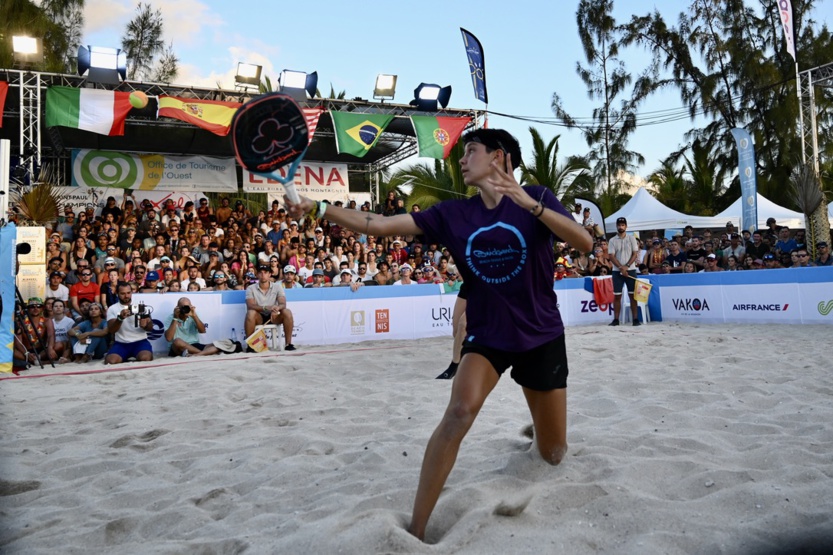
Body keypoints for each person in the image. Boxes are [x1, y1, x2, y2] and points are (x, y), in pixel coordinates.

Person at [285, 128, 592, 541]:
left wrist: (530, 206)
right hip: (487, 335)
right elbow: (377, 224)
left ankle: (537, 429)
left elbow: (585, 243)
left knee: (553, 454)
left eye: (471, 151)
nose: (462, 160)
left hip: (540, 334)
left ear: (499, 157)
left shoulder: (537, 196)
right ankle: (418, 528)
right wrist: (319, 208)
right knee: (459, 412)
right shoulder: (453, 214)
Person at [244, 265, 296, 351]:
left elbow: (283, 304)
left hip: (274, 316)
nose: (263, 275)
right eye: (261, 272)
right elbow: (250, 306)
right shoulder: (251, 288)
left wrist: (277, 307)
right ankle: (250, 345)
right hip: (258, 316)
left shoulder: (277, 286)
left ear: (269, 274)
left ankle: (288, 344)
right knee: (250, 313)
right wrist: (265, 308)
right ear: (257, 275)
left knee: (287, 312)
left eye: (265, 272)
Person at [105, 282, 154, 364]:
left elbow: (150, 327)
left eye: (128, 293)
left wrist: (145, 325)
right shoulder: (112, 308)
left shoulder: (140, 305)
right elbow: (112, 330)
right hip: (121, 343)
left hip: (140, 341)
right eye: (122, 293)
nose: (126, 296)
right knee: (111, 361)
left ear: (131, 292)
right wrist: (120, 318)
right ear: (117, 294)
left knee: (146, 358)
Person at [608, 217, 640, 326]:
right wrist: (621, 268)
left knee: (633, 295)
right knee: (617, 296)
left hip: (631, 270)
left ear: (626, 226)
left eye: (622, 225)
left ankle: (635, 319)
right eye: (619, 225)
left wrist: (626, 266)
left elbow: (635, 254)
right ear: (616, 226)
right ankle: (616, 319)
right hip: (617, 271)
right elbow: (611, 256)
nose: (621, 227)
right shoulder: (612, 240)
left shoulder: (632, 238)